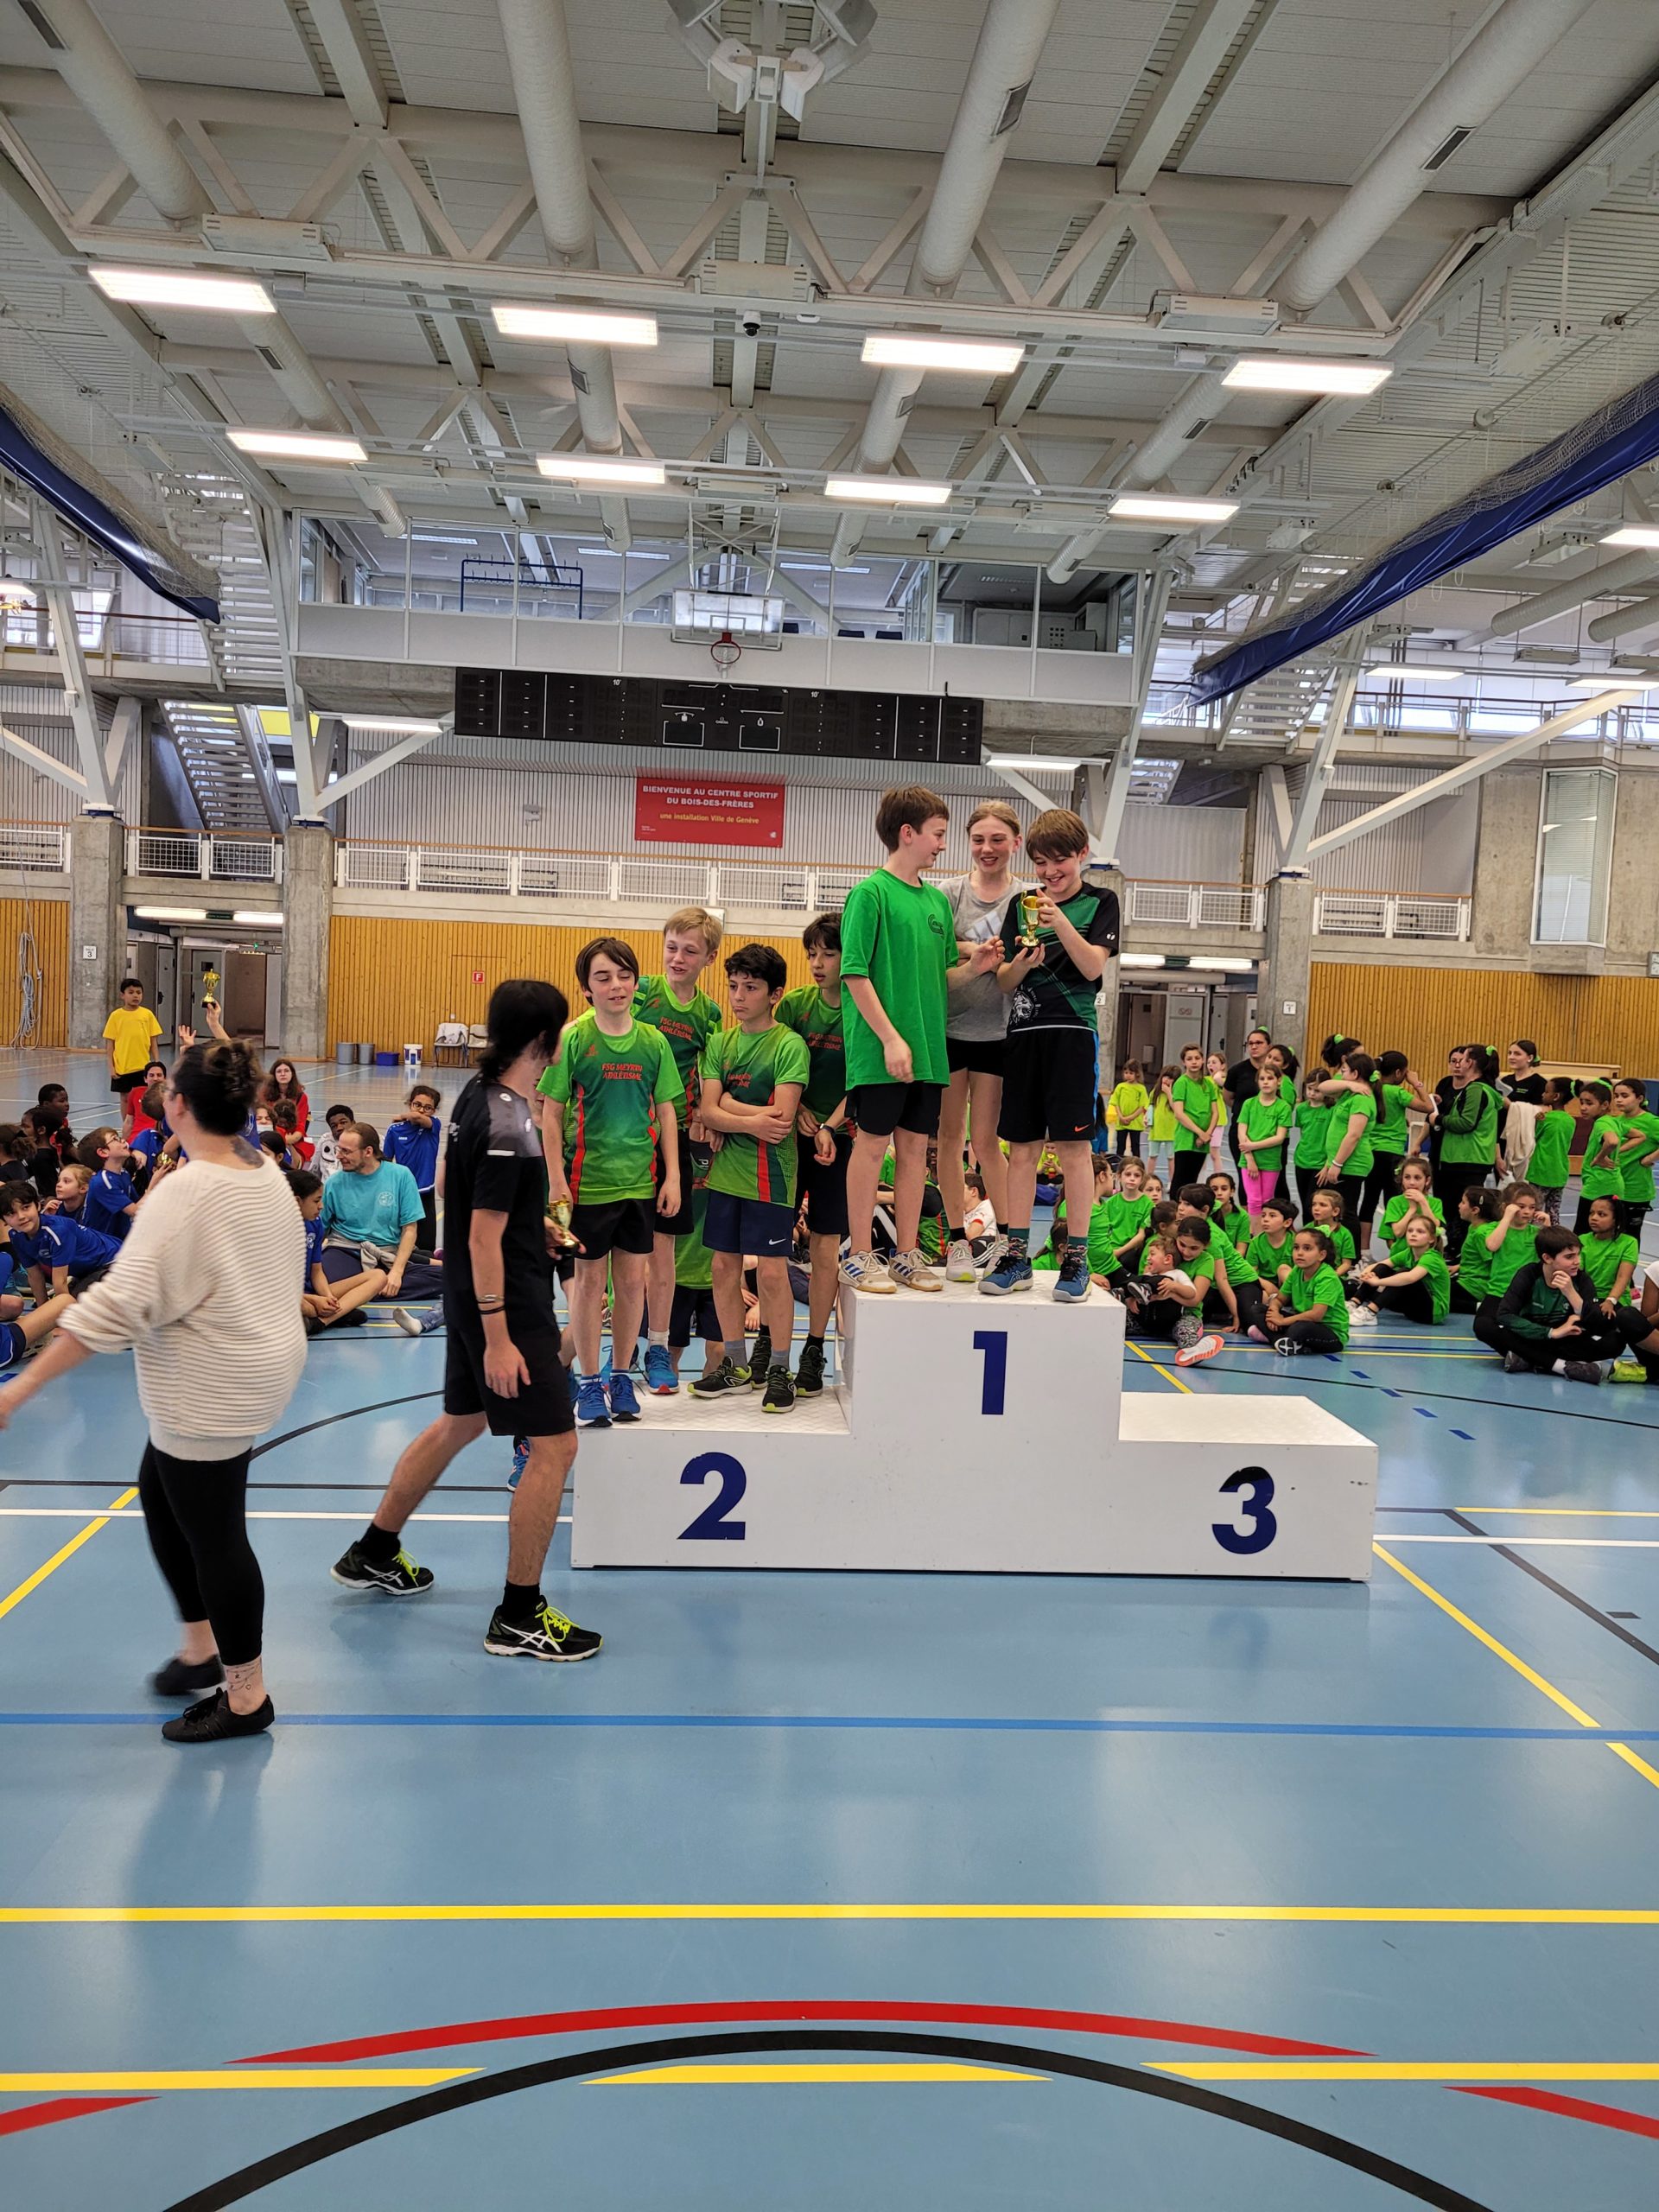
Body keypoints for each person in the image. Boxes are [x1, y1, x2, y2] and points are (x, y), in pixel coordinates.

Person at [0, 1038, 305, 1741]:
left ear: (176, 1104)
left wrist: (18, 1391)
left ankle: (247, 1697)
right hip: (253, 1363)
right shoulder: (256, 1163)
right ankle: (199, 1650)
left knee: (218, 1538)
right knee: (161, 1493)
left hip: (214, 1387)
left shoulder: (189, 1192)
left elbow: (110, 1309)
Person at [332, 978, 599, 1662]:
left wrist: (531, 1226)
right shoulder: (511, 1122)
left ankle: (374, 1550)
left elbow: (459, 1188)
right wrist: (500, 1338)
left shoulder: (477, 1096)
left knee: (460, 1422)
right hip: (505, 1305)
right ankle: (519, 1615)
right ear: (544, 1040)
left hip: (471, 1293)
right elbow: (481, 1237)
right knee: (555, 1448)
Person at [540, 936, 684, 1429]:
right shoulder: (573, 1039)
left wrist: (672, 1177)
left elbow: (667, 1112)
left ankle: (620, 1375)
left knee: (630, 1285)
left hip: (639, 1186)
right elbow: (551, 1113)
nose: (616, 985)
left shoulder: (653, 1042)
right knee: (586, 1287)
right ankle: (588, 1381)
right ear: (587, 988)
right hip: (585, 1188)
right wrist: (556, 1180)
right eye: (603, 978)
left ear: (636, 982)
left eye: (624, 975)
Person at [978, 808, 1118, 1304]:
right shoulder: (1021, 905)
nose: (1050, 872)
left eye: (1059, 861)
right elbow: (1004, 982)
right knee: (1021, 1149)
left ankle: (1076, 1259)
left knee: (1074, 1149)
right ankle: (1016, 1255)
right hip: (1023, 1036)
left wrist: (1060, 922)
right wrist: (1020, 963)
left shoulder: (1101, 902)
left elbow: (1092, 967)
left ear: (1082, 854)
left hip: (1073, 1037)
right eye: (1040, 863)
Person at [839, 785, 971, 1294]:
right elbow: (855, 974)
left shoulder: (936, 901)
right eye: (938, 834)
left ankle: (906, 1254)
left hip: (928, 1051)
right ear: (908, 833)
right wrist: (892, 1040)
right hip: (881, 1052)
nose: (943, 844)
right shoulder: (870, 894)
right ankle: (860, 1253)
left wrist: (978, 964)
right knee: (872, 1146)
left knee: (916, 1150)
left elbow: (943, 975)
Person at [690, 942, 809, 1411]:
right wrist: (748, 1118)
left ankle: (779, 1369)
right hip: (725, 1176)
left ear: (775, 994)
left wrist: (727, 1109)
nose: (739, 997)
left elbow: (781, 1118)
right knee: (723, 1267)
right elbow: (706, 1111)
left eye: (751, 988)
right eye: (734, 986)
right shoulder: (720, 1043)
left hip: (770, 1177)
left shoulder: (788, 1045)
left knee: (774, 1274)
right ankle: (736, 1366)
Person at [634, 906, 726, 1390]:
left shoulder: (709, 1014)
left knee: (662, 1247)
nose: (678, 958)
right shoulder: (642, 992)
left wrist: (708, 1117)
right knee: (626, 1247)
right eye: (672, 947)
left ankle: (657, 1344)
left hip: (675, 1137)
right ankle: (622, 1342)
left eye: (690, 951)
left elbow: (709, 1073)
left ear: (709, 958)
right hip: (628, 1132)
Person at [938, 800, 1022, 1271]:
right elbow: (935, 947)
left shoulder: (1025, 897)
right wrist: (976, 949)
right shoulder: (948, 893)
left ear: (1015, 843)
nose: (987, 848)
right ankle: (956, 1241)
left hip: (997, 1032)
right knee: (949, 1138)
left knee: (987, 1142)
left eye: (997, 839)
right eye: (978, 840)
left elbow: (1028, 950)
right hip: (950, 1029)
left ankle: (1008, 1240)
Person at [777, 912, 850, 1398]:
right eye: (812, 954)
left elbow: (864, 1080)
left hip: (839, 1139)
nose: (818, 963)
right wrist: (800, 1110)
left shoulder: (862, 1008)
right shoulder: (794, 1007)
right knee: (773, 1245)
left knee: (825, 1247)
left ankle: (815, 1346)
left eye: (828, 953)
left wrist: (828, 1126)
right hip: (789, 1135)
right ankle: (771, 1344)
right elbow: (775, 1064)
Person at [1475, 1224, 1624, 1383]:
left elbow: (1596, 1324)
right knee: (1483, 1325)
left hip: (1564, 1341)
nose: (1577, 1262)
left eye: (1578, 1255)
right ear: (1547, 1258)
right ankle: (1561, 1366)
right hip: (1532, 1336)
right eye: (1569, 1257)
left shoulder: (1581, 1279)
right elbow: (1505, 1315)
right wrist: (1551, 1332)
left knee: (1615, 1342)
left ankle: (1528, 1359)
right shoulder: (1529, 1274)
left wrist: (1571, 1294)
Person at [319, 1122, 440, 1311]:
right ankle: (369, 1290)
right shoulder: (334, 1182)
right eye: (338, 1149)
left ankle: (362, 1292)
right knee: (325, 1281)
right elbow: (320, 1229)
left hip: (387, 1254)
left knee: (445, 1277)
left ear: (368, 1151)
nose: (339, 1156)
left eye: (346, 1152)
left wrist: (397, 1272)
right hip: (346, 1250)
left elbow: (410, 1229)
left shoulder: (400, 1176)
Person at [289, 1166, 383, 1332]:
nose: (321, 1206)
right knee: (305, 1307)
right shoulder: (276, 1229)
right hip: (287, 1296)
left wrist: (328, 1298)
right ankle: (336, 1314)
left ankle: (321, 1321)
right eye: (316, 1201)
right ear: (297, 1201)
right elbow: (271, 1286)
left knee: (378, 1276)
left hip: (310, 1292)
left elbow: (317, 1271)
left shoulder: (315, 1224)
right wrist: (313, 1300)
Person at [0, 1180, 121, 1298]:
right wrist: (43, 1306)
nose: (21, 1216)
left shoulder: (57, 1230)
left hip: (113, 1263)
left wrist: (51, 1310)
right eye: (11, 1213)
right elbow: (35, 1276)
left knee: (77, 1301)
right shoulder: (16, 1235)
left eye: (26, 1207)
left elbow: (60, 1286)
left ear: (38, 1205)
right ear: (3, 1219)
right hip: (85, 1272)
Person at [1435, 1045, 1502, 1253]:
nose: (1459, 1063)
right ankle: (1457, 1250)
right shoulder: (1480, 1089)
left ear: (1470, 1062)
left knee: (1463, 1211)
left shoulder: (1476, 1089)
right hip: (1464, 1158)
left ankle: (1459, 1252)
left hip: (1466, 1159)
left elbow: (1466, 1122)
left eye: (1462, 1059)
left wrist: (1438, 1119)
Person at [1120, 1231, 1220, 1364]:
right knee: (1120, 1319)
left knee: (1185, 1330)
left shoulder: (1177, 1274)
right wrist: (1131, 1298)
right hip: (1145, 1321)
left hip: (1171, 1323)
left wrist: (1174, 1288)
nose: (1148, 1258)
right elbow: (1134, 1286)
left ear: (1167, 1259)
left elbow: (1192, 1294)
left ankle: (1190, 1351)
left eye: (1152, 1254)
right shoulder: (1148, 1273)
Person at [1256, 1225, 1348, 1356]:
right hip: (1301, 1320)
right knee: (1257, 1309)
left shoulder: (1327, 1277)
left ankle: (1277, 1339)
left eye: (1307, 1248)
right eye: (1296, 1247)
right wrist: (1274, 1313)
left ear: (1321, 1255)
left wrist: (1282, 1321)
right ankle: (1283, 1342)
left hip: (1330, 1333)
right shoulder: (1296, 1271)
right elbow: (1279, 1299)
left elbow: (1316, 1315)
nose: (1299, 1253)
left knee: (1300, 1328)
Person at [1351, 1212, 1451, 1327]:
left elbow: (1410, 1278)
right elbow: (1382, 1265)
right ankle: (1353, 1303)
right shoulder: (1409, 1253)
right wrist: (1366, 1273)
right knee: (1382, 1268)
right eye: (1410, 1231)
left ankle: (1370, 1313)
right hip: (1410, 1308)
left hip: (1430, 1313)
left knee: (1404, 1275)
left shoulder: (1432, 1258)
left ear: (1432, 1239)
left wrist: (1377, 1282)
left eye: (1420, 1231)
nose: (1413, 1234)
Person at [384, 1084, 444, 1252]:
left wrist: (404, 1116)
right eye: (417, 1105)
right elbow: (386, 1162)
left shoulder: (433, 1126)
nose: (422, 1110)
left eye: (428, 1108)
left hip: (425, 1193)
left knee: (426, 1245)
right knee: (400, 1243)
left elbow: (418, 1118)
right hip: (402, 1193)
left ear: (434, 1111)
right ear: (410, 1103)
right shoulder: (394, 1130)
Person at [1235, 1064, 1292, 1227]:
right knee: (1253, 1200)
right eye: (1262, 1079)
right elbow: (1241, 1133)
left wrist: (1252, 1146)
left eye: (1270, 1078)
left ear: (1278, 1081)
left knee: (1267, 1200)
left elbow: (1279, 1137)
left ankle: (1265, 1232)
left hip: (1270, 1160)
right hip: (1248, 1160)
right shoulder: (1249, 1104)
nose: (1266, 1082)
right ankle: (1255, 1235)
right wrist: (1250, 1158)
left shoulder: (1283, 1107)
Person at [1166, 1044, 1222, 1199]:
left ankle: (1189, 1209)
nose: (1194, 1062)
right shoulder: (1182, 1083)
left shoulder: (1208, 1084)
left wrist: (1207, 1134)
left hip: (1203, 1140)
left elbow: (1215, 1113)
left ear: (1203, 1060)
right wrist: (1199, 1133)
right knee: (1180, 1180)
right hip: (1186, 1139)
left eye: (1197, 1058)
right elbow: (1179, 1113)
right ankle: (1175, 1209)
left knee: (1192, 1180)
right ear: (1184, 1062)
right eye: (1189, 1059)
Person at [1611, 1077, 1659, 1245]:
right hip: (1614, 1186)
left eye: (1624, 1096)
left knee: (1630, 1237)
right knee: (1611, 1234)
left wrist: (1650, 1159)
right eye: (1616, 1096)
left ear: (1639, 1098)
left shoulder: (1651, 1122)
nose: (1619, 1100)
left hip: (1636, 1190)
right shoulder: (1616, 1121)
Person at [1224, 1028, 1273, 1182]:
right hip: (1242, 1131)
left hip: (1268, 1132)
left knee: (1269, 1179)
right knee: (1246, 1177)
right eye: (1250, 1043)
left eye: (1259, 1043)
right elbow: (1228, 1097)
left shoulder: (1274, 1072)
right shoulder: (1237, 1071)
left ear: (1269, 1046)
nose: (1254, 1046)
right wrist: (1246, 1112)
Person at [104, 976, 162, 1107]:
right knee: (125, 1098)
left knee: (142, 1097)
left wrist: (156, 1063)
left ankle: (140, 1120)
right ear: (122, 995)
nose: (135, 996)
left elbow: (153, 1042)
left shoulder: (147, 1015)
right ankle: (127, 1120)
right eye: (131, 992)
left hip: (142, 1066)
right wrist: (111, 1068)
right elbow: (110, 1044)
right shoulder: (116, 1016)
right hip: (123, 1067)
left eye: (138, 992)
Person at [1578, 1194, 1637, 1319]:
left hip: (1615, 1298)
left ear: (1616, 1219)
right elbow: (1578, 1274)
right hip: (1588, 1296)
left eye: (1602, 1214)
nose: (1594, 1218)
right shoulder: (1582, 1240)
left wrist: (1611, 1300)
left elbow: (1623, 1277)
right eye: (1591, 1213)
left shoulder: (1629, 1243)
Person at [1527, 1077, 1577, 1225]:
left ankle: (1530, 1238)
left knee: (1533, 1212)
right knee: (1553, 1213)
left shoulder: (1546, 1119)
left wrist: (1537, 1122)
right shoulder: (1571, 1121)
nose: (1543, 1094)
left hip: (1541, 1171)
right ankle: (1555, 1236)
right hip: (1559, 1173)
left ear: (1556, 1096)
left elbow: (1535, 1136)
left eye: (1546, 1092)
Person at [73, 1128, 139, 1241]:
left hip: (118, 1239)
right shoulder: (102, 1181)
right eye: (115, 1139)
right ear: (103, 1152)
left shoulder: (123, 1174)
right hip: (100, 1243)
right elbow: (135, 1211)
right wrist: (156, 1183)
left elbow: (137, 1203)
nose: (123, 1141)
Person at [1379, 1156, 1443, 1258]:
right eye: (1407, 1177)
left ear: (1427, 1180)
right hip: (1400, 1257)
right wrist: (1412, 1209)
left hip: (1427, 1257)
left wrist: (1422, 1202)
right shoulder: (1395, 1202)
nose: (1412, 1183)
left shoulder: (1435, 1203)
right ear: (1402, 1179)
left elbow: (1434, 1228)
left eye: (1417, 1178)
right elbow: (1398, 1233)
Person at [1244, 1193, 1297, 1286]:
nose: (1265, 1219)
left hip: (1289, 1285)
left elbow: (1301, 1272)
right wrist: (1268, 1286)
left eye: (1272, 1216)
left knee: (1284, 1269)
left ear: (1287, 1223)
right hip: (1264, 1285)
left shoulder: (1295, 1241)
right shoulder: (1256, 1242)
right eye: (1263, 1215)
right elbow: (1251, 1273)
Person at [1306, 1186, 1355, 1278]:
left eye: (1323, 1205)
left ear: (1335, 1211)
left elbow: (1346, 1264)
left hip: (1333, 1276)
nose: (1316, 1208)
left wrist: (1331, 1276)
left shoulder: (1345, 1234)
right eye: (1314, 1204)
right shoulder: (1308, 1229)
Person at [1108, 1059, 1149, 1164]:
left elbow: (1142, 1106)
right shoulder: (1120, 1087)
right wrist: (1121, 1117)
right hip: (1121, 1123)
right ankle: (1119, 1165)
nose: (1128, 1075)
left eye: (1131, 1073)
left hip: (1135, 1123)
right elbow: (1115, 1102)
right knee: (1120, 1146)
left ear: (1137, 1074)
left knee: (1135, 1146)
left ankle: (1137, 1165)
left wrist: (1130, 1117)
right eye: (1126, 1073)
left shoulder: (1141, 1088)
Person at [1205, 1170, 1250, 1255]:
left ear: (1232, 1192)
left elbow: (1241, 1250)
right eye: (1214, 1189)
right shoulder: (1204, 1213)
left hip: (1232, 1259)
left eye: (1224, 1189)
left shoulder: (1242, 1215)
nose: (1219, 1193)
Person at [262, 1058, 310, 1137]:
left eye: (286, 1071)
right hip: (270, 1135)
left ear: (292, 1074)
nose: (283, 1074)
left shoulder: (301, 1097)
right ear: (273, 1075)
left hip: (293, 1135)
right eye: (279, 1071)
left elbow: (301, 1125)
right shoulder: (265, 1096)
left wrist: (292, 1139)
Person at [1147, 1067, 1178, 1186]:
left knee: (1171, 1158)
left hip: (1171, 1130)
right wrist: (1147, 1118)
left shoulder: (1176, 1094)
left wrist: (1169, 1093)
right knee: (1152, 1156)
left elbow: (1176, 1108)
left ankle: (1172, 1182)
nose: (1166, 1080)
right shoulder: (1155, 1092)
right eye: (1165, 1076)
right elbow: (1150, 1107)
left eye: (1170, 1078)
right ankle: (1148, 1179)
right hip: (1156, 1130)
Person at [310, 1103, 353, 1182]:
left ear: (353, 1123)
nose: (339, 1128)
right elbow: (314, 1171)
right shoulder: (325, 1140)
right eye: (334, 1126)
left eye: (343, 1122)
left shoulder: (364, 1141)